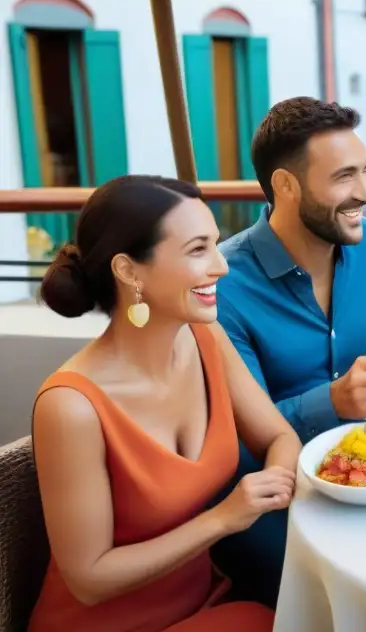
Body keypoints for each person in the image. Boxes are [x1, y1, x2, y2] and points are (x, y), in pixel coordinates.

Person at [30, 175, 300, 632]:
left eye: (216, 244)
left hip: (207, 601)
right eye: (198, 250)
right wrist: (223, 519)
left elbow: (279, 436)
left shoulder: (205, 336)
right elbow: (89, 579)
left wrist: (273, 481)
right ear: (129, 271)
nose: (222, 266)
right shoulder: (70, 406)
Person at [213, 97, 366, 605]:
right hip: (273, 504)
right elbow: (238, 444)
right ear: (286, 186)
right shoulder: (223, 285)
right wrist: (332, 402)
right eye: (344, 177)